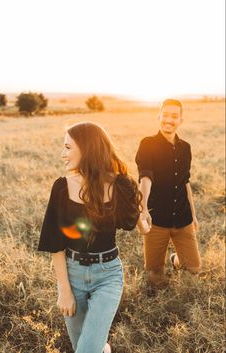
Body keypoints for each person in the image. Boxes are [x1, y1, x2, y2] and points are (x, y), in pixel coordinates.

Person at [38, 122, 148, 353]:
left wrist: (143, 220)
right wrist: (64, 290)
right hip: (73, 274)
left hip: (108, 275)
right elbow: (55, 244)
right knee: (85, 346)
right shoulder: (61, 187)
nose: (62, 154)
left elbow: (133, 222)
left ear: (87, 149)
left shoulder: (119, 185)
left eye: (68, 147)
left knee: (87, 349)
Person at [135, 99, 201, 287]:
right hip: (157, 220)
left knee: (194, 269)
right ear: (159, 116)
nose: (169, 120)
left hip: (182, 217)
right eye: (165, 115)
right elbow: (145, 178)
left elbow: (185, 183)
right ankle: (160, 266)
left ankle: (175, 259)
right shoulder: (147, 144)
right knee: (155, 278)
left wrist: (193, 215)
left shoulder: (185, 148)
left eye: (174, 116)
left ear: (181, 120)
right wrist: (144, 208)